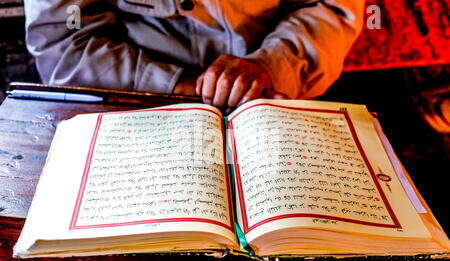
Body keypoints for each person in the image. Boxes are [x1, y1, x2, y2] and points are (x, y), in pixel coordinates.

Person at [23, 0, 364, 113]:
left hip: (272, 98)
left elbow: (330, 8)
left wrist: (271, 65)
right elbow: (63, 39)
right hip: (133, 107)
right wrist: (182, 88)